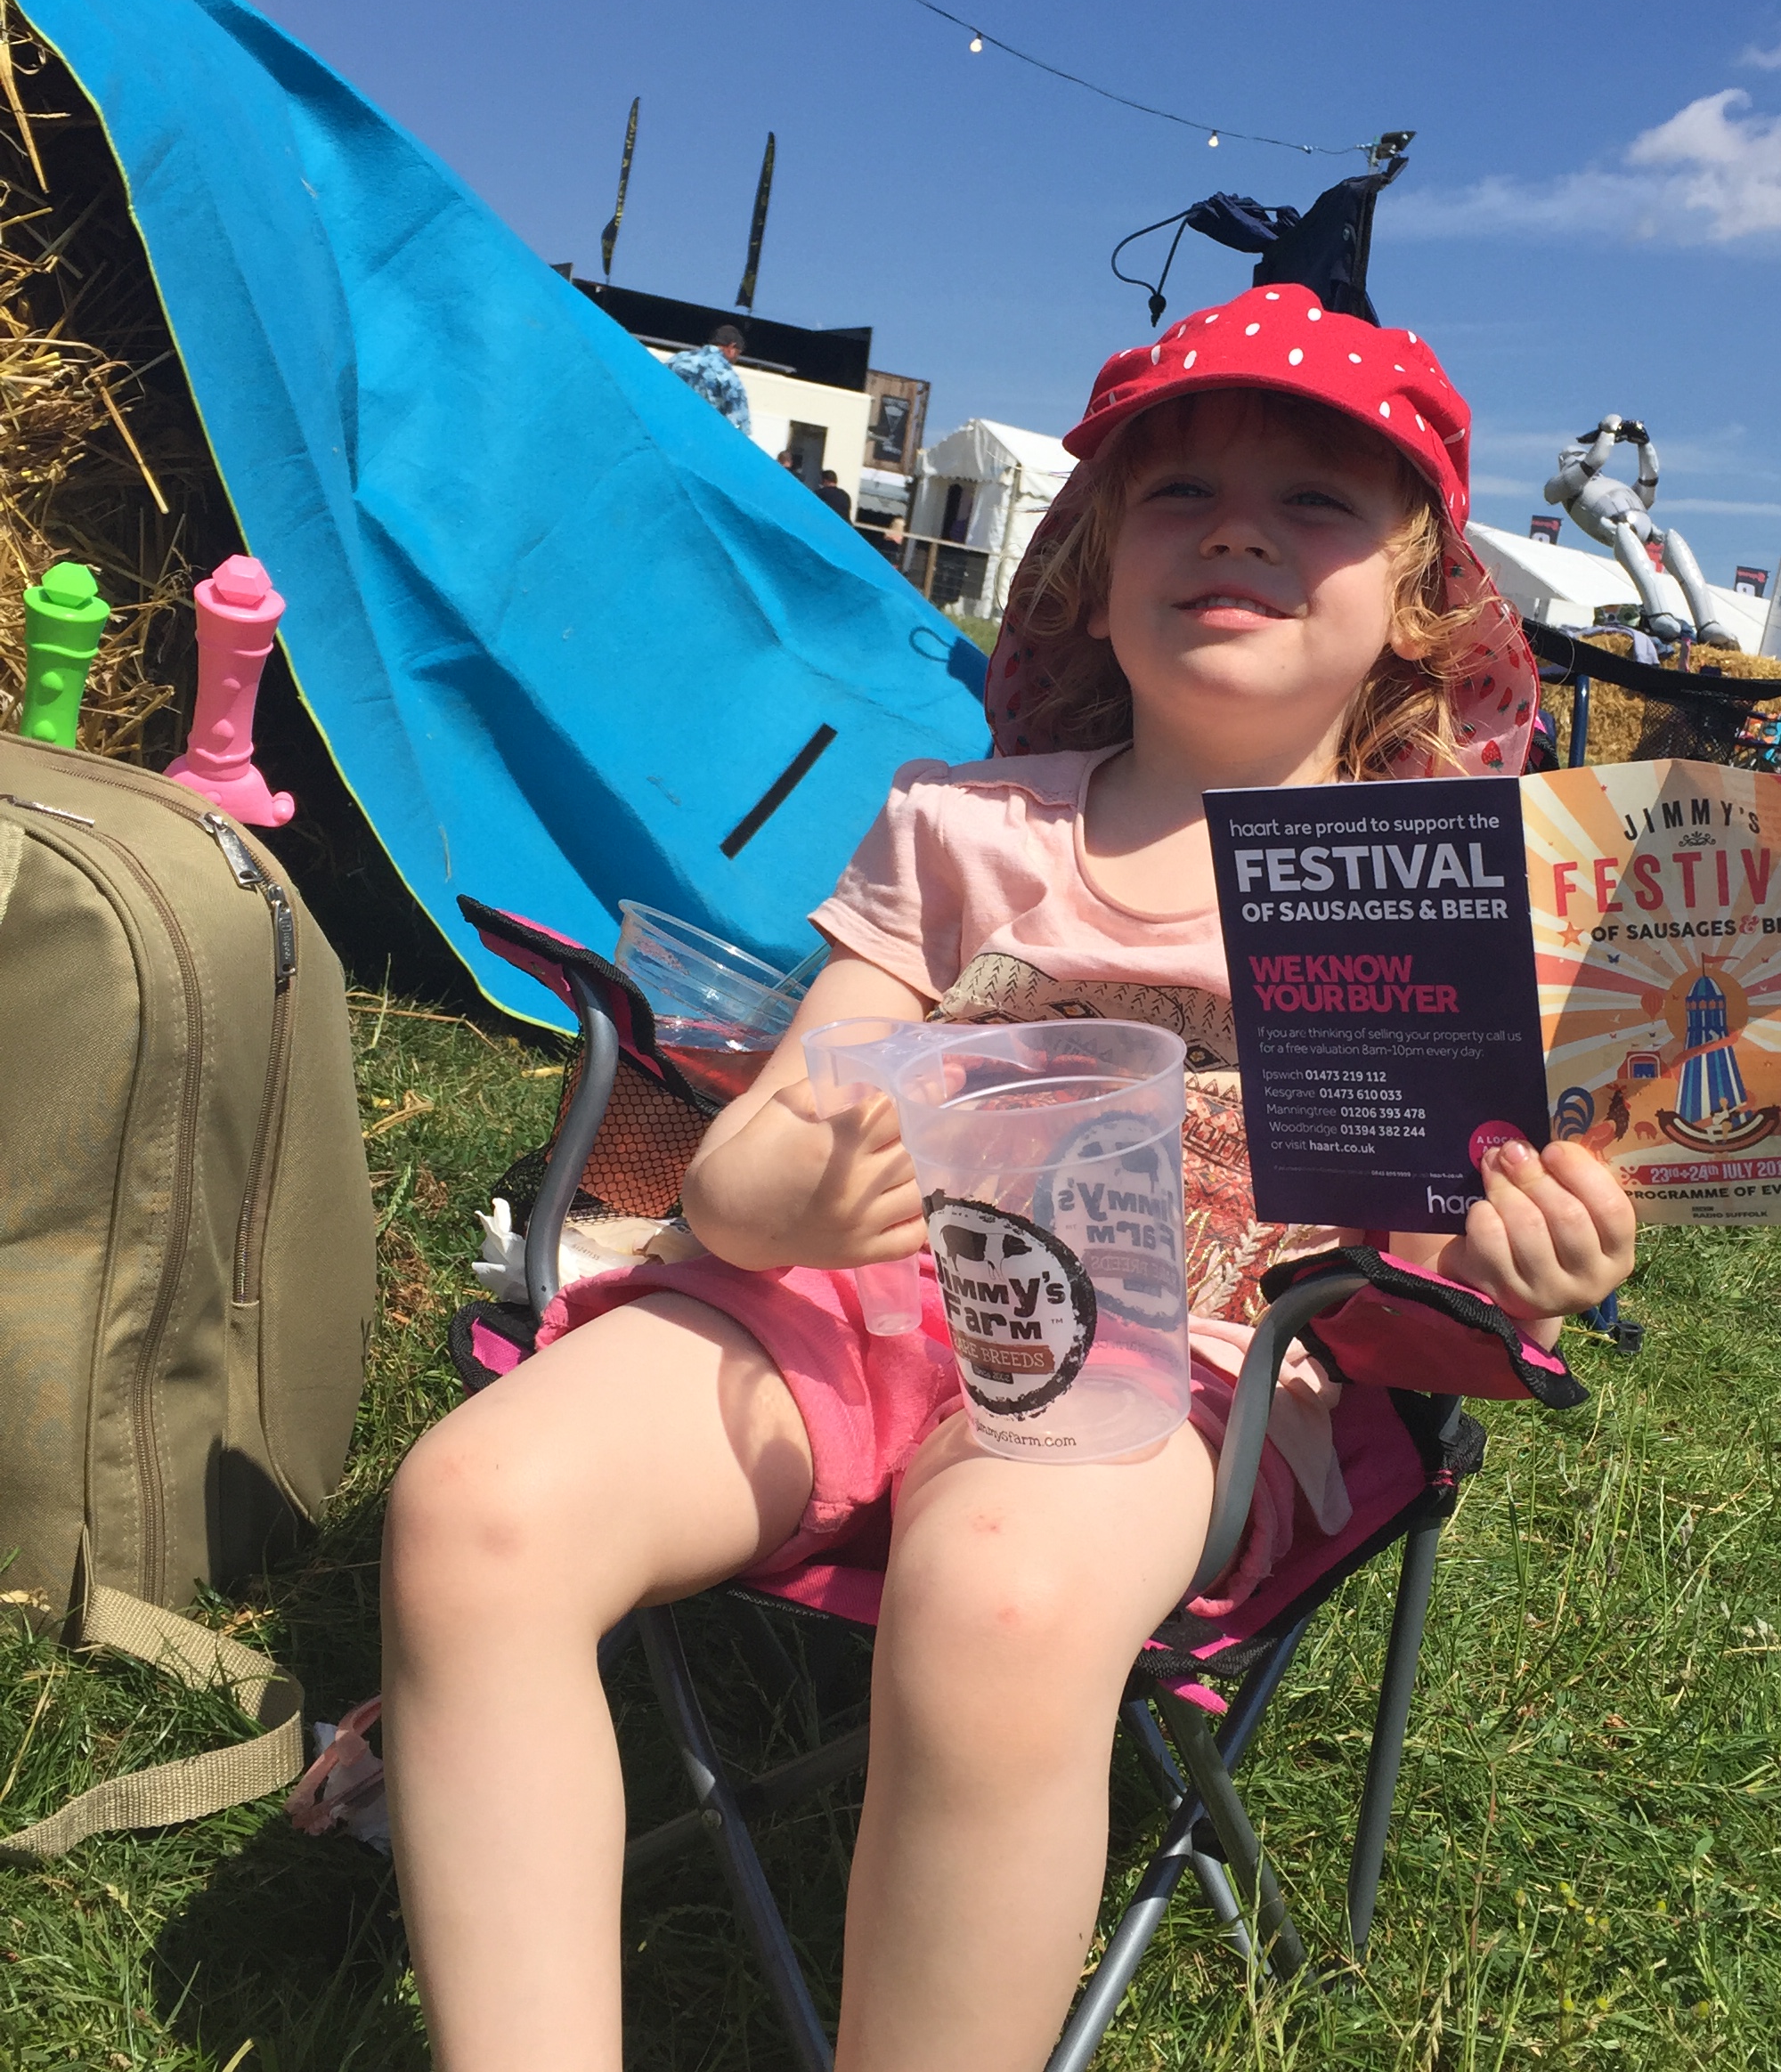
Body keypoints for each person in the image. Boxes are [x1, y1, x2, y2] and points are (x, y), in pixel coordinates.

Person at [379, 282, 1637, 2072]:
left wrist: (1523, 1261)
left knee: (1004, 1594)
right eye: (1180, 493)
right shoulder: (965, 828)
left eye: (1313, 502)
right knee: (474, 1508)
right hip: (850, 1309)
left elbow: (1413, 1288)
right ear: (1094, 569)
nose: (1237, 534)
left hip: (1174, 1378)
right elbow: (766, 1144)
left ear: (1418, 604)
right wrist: (776, 1195)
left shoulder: (1417, 888)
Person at [666, 321, 752, 436]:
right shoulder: (729, 376)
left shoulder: (679, 358)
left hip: (667, 425)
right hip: (698, 436)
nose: (736, 359)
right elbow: (740, 423)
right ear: (731, 347)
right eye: (737, 354)